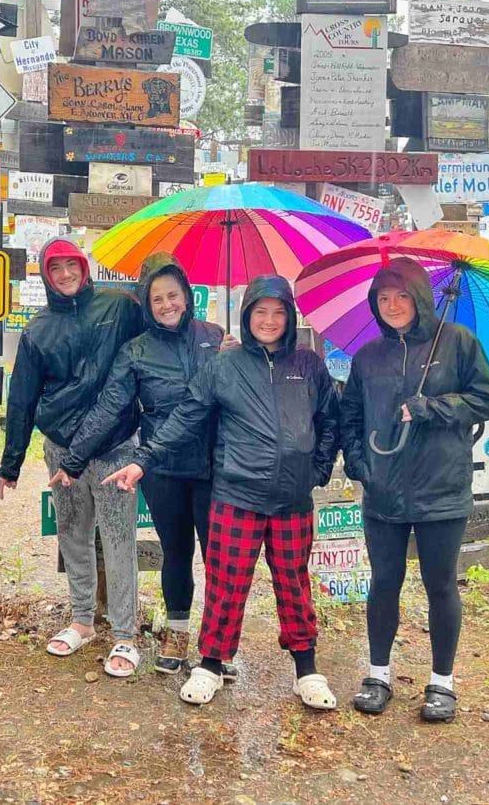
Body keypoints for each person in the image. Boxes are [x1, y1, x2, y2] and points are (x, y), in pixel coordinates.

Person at [104, 276, 340, 708]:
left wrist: (317, 471)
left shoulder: (309, 365)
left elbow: (329, 422)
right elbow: (186, 416)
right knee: (226, 583)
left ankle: (307, 670)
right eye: (260, 312)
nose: (268, 321)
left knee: (294, 583)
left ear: (289, 318)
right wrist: (143, 460)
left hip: (292, 499)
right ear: (248, 314)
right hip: (237, 493)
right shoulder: (224, 366)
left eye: (278, 312)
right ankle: (211, 663)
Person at [48, 252, 228, 676]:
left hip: (215, 468)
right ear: (146, 304)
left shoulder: (215, 337)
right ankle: (177, 637)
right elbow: (111, 406)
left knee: (220, 559)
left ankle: (218, 647)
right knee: (177, 556)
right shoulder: (136, 350)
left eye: (173, 295)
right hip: (161, 468)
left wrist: (239, 350)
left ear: (187, 295)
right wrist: (73, 460)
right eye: (157, 299)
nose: (167, 305)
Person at [340, 258, 489, 722]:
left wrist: (434, 406)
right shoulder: (368, 356)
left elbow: (488, 398)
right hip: (384, 491)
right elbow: (349, 415)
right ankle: (378, 674)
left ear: (420, 298)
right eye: (383, 298)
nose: (392, 306)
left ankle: (442, 683)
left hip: (442, 489)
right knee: (384, 583)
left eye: (402, 296)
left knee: (440, 585)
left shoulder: (457, 343)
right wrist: (359, 464)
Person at [0, 237, 145, 677]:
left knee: (120, 541)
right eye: (55, 267)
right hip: (62, 451)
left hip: (114, 447)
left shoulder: (119, 307)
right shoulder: (38, 329)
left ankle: (125, 633)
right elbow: (22, 397)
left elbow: (161, 339)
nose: (65, 274)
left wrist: (212, 340)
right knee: (73, 535)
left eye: (72, 264)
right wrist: (11, 463)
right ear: (45, 275)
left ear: (85, 266)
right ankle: (82, 619)